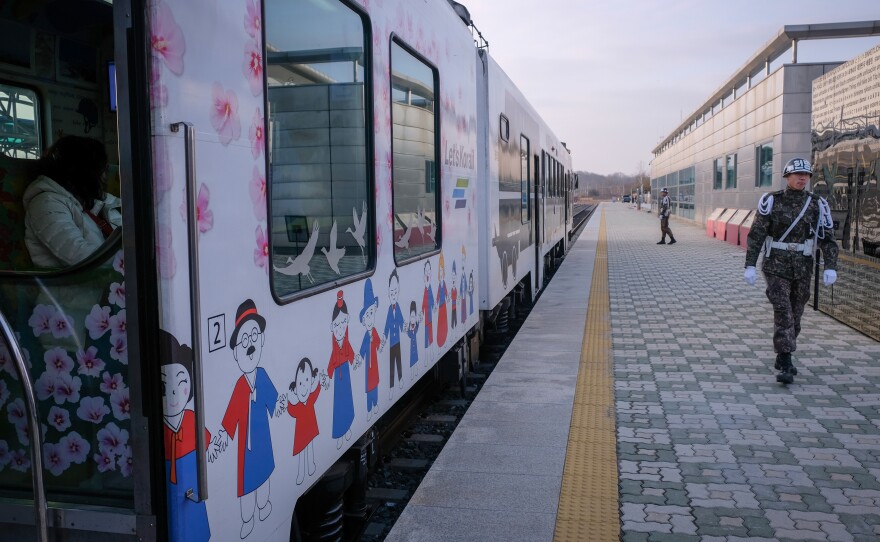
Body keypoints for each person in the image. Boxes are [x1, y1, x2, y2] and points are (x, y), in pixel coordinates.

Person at [743, 157, 838, 384]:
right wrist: (749, 265)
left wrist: (831, 266)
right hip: (776, 264)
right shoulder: (772, 202)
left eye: (806, 175)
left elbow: (827, 239)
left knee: (796, 314)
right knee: (783, 310)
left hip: (803, 266)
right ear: (787, 177)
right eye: (797, 175)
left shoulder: (816, 204)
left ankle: (782, 350)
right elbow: (757, 235)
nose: (802, 178)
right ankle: (786, 361)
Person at [23, 136, 121, 268]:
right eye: (102, 170)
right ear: (86, 172)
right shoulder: (46, 204)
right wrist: (131, 260)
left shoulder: (89, 200)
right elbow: (80, 256)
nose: (104, 178)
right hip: (75, 285)